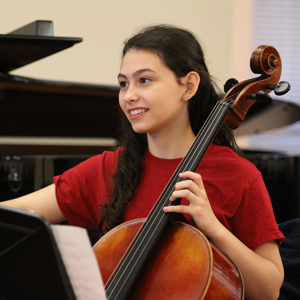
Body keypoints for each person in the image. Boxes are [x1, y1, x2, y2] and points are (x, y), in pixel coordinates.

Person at [1, 24, 284, 300]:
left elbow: (269, 289)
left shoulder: (238, 175)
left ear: (189, 85)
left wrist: (213, 228)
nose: (129, 95)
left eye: (144, 80)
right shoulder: (109, 169)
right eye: (123, 84)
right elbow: (12, 219)